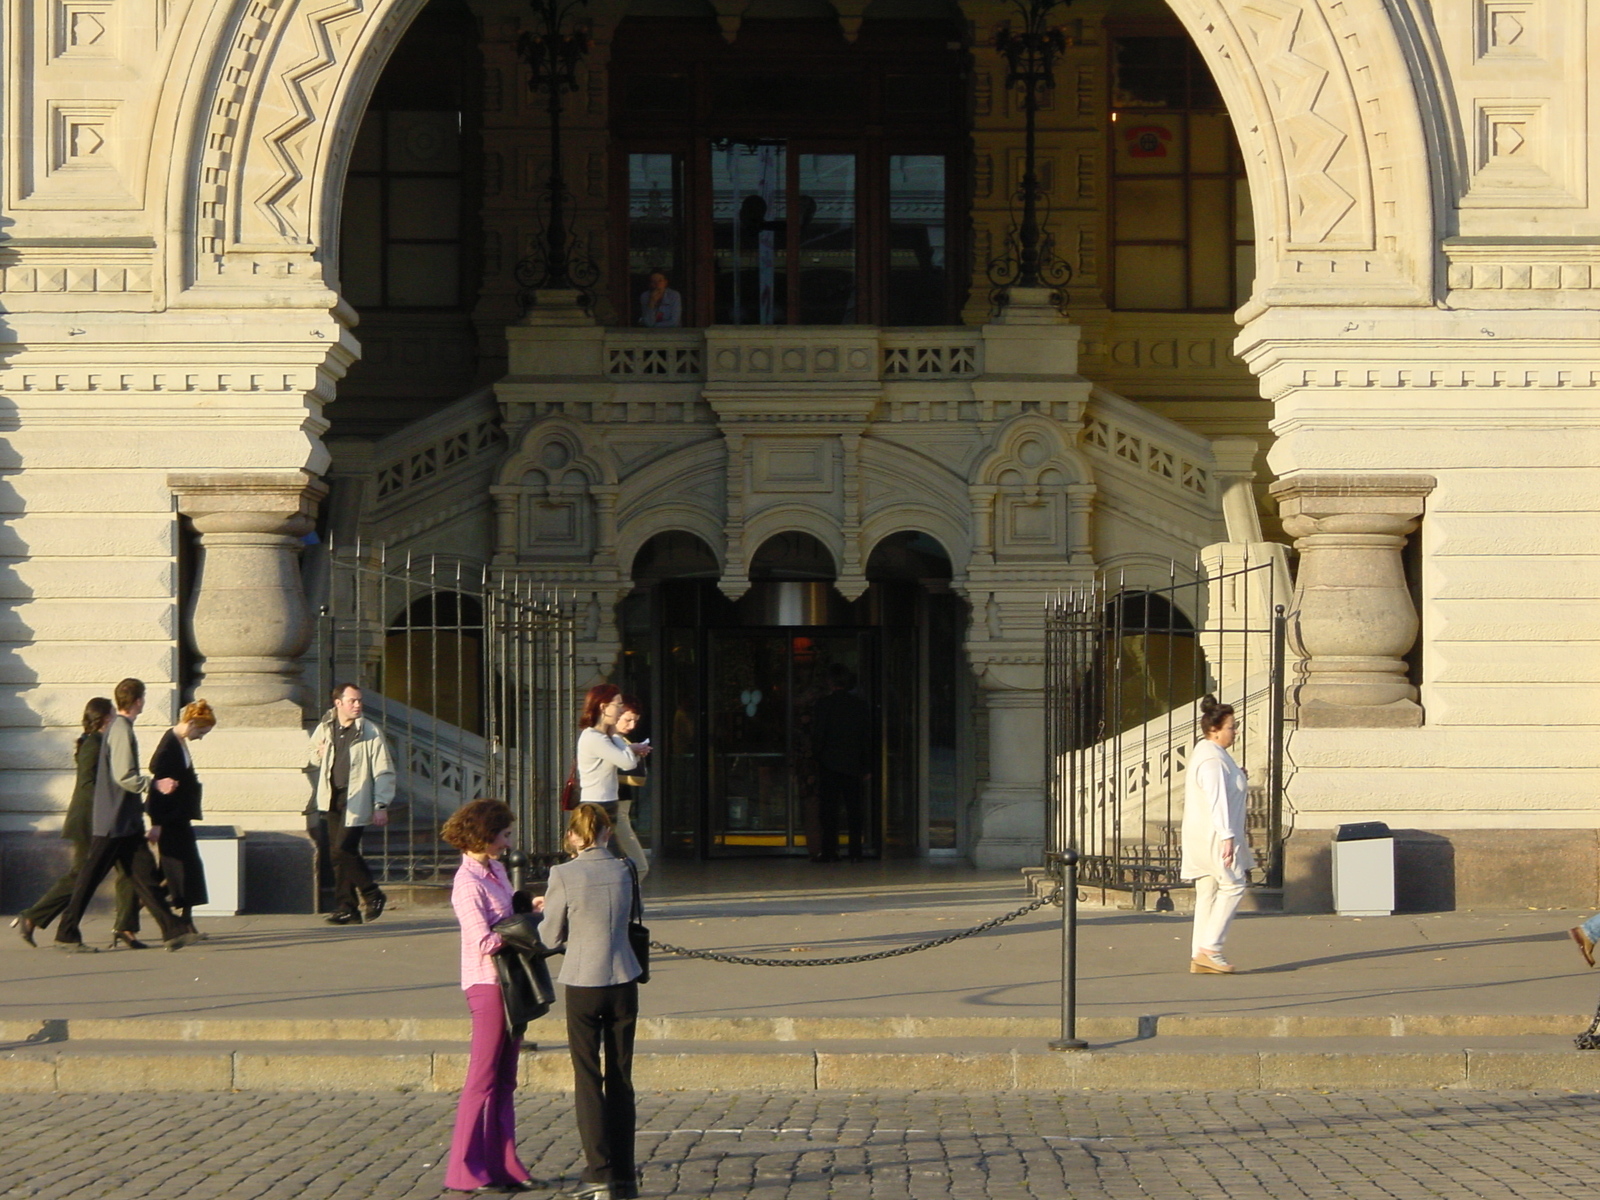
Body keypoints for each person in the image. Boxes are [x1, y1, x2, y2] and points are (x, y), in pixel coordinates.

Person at [541, 804, 643, 1200]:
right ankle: (625, 1174)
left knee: (587, 1077)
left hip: (584, 981)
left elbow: (550, 936)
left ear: (573, 835)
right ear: (606, 833)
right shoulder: (625, 869)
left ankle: (598, 1170)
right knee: (620, 1076)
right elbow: (635, 914)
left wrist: (549, 911)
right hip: (623, 976)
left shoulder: (564, 874)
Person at [440, 798, 541, 1195]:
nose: (508, 843)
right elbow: (483, 940)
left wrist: (527, 908)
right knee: (481, 1079)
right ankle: (464, 1169)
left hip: (511, 982)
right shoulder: (466, 883)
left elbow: (506, 913)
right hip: (486, 984)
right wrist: (522, 929)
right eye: (504, 835)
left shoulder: (495, 869)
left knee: (505, 1080)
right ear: (484, 836)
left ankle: (504, 1164)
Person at [54, 678, 195, 953]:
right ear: (138, 701)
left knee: (145, 877)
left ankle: (173, 930)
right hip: (114, 821)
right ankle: (66, 933)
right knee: (89, 878)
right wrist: (155, 784)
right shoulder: (120, 729)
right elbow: (123, 776)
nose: (143, 703)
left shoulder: (120, 728)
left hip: (124, 821)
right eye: (143, 698)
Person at [11, 698, 139, 948]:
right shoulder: (93, 743)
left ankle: (125, 926)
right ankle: (34, 917)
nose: (116, 719)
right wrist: (107, 811)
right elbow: (88, 785)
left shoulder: (100, 741)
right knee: (82, 875)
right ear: (105, 719)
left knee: (129, 870)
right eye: (113, 714)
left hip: (105, 819)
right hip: (91, 821)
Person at [308, 682, 395, 925]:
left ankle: (372, 894)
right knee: (339, 855)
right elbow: (312, 756)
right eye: (352, 701)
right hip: (331, 797)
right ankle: (347, 908)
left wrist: (381, 804)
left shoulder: (369, 731)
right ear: (338, 703)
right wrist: (319, 753)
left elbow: (384, 770)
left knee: (342, 849)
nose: (357, 705)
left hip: (356, 798)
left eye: (359, 700)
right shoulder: (326, 727)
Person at [1181, 696, 1253, 974]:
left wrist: (1238, 776)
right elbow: (1217, 798)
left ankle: (1199, 953)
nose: (1235, 732)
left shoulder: (1210, 753)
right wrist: (1227, 836)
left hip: (1203, 834)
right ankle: (1211, 948)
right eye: (1231, 727)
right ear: (1215, 730)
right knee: (1233, 884)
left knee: (1208, 891)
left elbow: (1223, 787)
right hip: (1214, 835)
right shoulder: (1212, 759)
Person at [148, 700, 217, 937]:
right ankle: (181, 922)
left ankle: (184, 920)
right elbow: (158, 780)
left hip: (178, 817)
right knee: (180, 870)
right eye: (201, 732)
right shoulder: (170, 745)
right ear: (191, 723)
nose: (200, 737)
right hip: (170, 819)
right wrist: (156, 823)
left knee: (182, 870)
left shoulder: (178, 742)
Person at [575, 684, 652, 880]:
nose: (620, 709)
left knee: (613, 866)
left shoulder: (603, 737)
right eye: (617, 705)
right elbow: (627, 763)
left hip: (608, 805)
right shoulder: (595, 737)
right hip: (597, 807)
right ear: (603, 707)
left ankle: (619, 896)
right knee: (611, 866)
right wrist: (619, 739)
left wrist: (628, 746)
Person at [808, 663, 873, 862]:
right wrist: (866, 765)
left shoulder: (823, 705)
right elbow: (866, 737)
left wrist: (816, 757)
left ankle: (829, 851)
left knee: (829, 810)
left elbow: (818, 735)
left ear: (830, 682)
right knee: (854, 809)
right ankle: (855, 851)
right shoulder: (859, 705)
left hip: (829, 763)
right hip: (853, 764)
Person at [611, 696, 651, 882]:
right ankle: (623, 897)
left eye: (635, 721)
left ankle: (621, 896)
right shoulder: (609, 740)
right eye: (628, 720)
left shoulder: (620, 740)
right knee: (639, 866)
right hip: (613, 808)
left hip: (618, 807)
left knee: (627, 865)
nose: (632, 725)